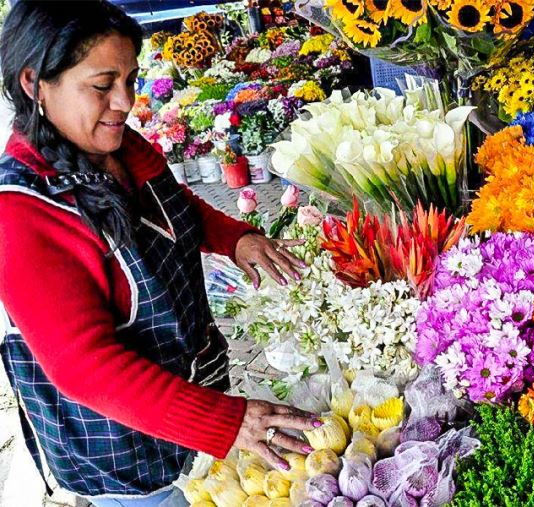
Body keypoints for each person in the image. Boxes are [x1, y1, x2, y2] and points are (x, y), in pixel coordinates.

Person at [0, 1, 319, 505]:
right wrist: (227, 423)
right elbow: (85, 367)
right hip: (121, 446)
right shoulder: (21, 213)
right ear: (34, 83)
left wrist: (235, 237)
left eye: (131, 78)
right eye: (103, 85)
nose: (125, 102)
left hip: (190, 386)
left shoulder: (119, 146)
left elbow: (174, 205)